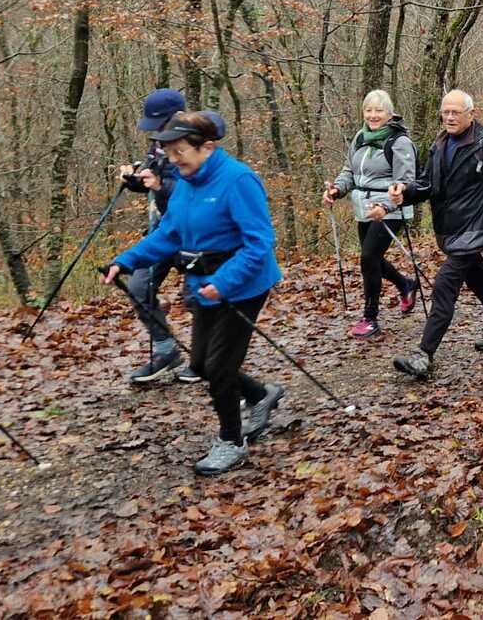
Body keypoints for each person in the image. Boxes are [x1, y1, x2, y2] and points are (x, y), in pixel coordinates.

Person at [103, 111, 285, 475]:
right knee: (200, 364)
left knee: (219, 368)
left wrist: (226, 282)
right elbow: (168, 234)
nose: (173, 160)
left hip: (243, 286)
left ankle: (231, 441)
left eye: (180, 152)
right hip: (203, 284)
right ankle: (261, 394)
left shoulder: (238, 180)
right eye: (168, 153)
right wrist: (126, 261)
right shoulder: (186, 183)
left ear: (208, 147)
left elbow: (260, 242)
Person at [387, 91, 483, 380]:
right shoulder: (439, 143)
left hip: (476, 227)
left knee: (444, 286)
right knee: (478, 278)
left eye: (456, 112)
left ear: (471, 114)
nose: (450, 117)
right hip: (451, 229)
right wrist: (405, 192)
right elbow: (427, 184)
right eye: (446, 112)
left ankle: (424, 354)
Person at [115, 88, 197, 385]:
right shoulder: (156, 145)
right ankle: (166, 351)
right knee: (139, 286)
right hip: (163, 231)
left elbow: (197, 193)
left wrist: (161, 185)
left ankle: (203, 358)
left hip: (195, 232)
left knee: (197, 297)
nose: (157, 132)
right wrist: (136, 181)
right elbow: (153, 180)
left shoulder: (197, 146)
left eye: (161, 124)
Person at [324, 90, 420, 340]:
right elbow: (349, 171)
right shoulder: (360, 137)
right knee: (372, 258)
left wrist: (386, 206)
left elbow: (406, 182)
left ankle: (370, 318)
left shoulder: (400, 142)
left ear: (389, 113)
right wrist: (337, 190)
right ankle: (406, 284)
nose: (373, 115)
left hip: (391, 209)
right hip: (364, 208)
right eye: (368, 110)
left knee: (368, 258)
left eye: (379, 110)